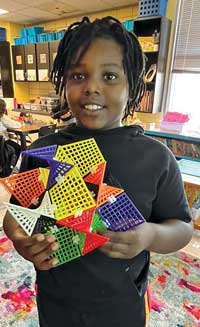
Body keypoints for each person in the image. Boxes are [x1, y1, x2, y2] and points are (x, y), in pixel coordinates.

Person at [3, 16, 193, 327]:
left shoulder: (156, 158)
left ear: (132, 85)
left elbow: (182, 227)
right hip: (56, 300)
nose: (91, 87)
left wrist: (150, 234)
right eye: (78, 76)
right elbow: (15, 214)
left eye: (109, 76)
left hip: (122, 304)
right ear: (64, 81)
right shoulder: (44, 147)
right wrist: (21, 240)